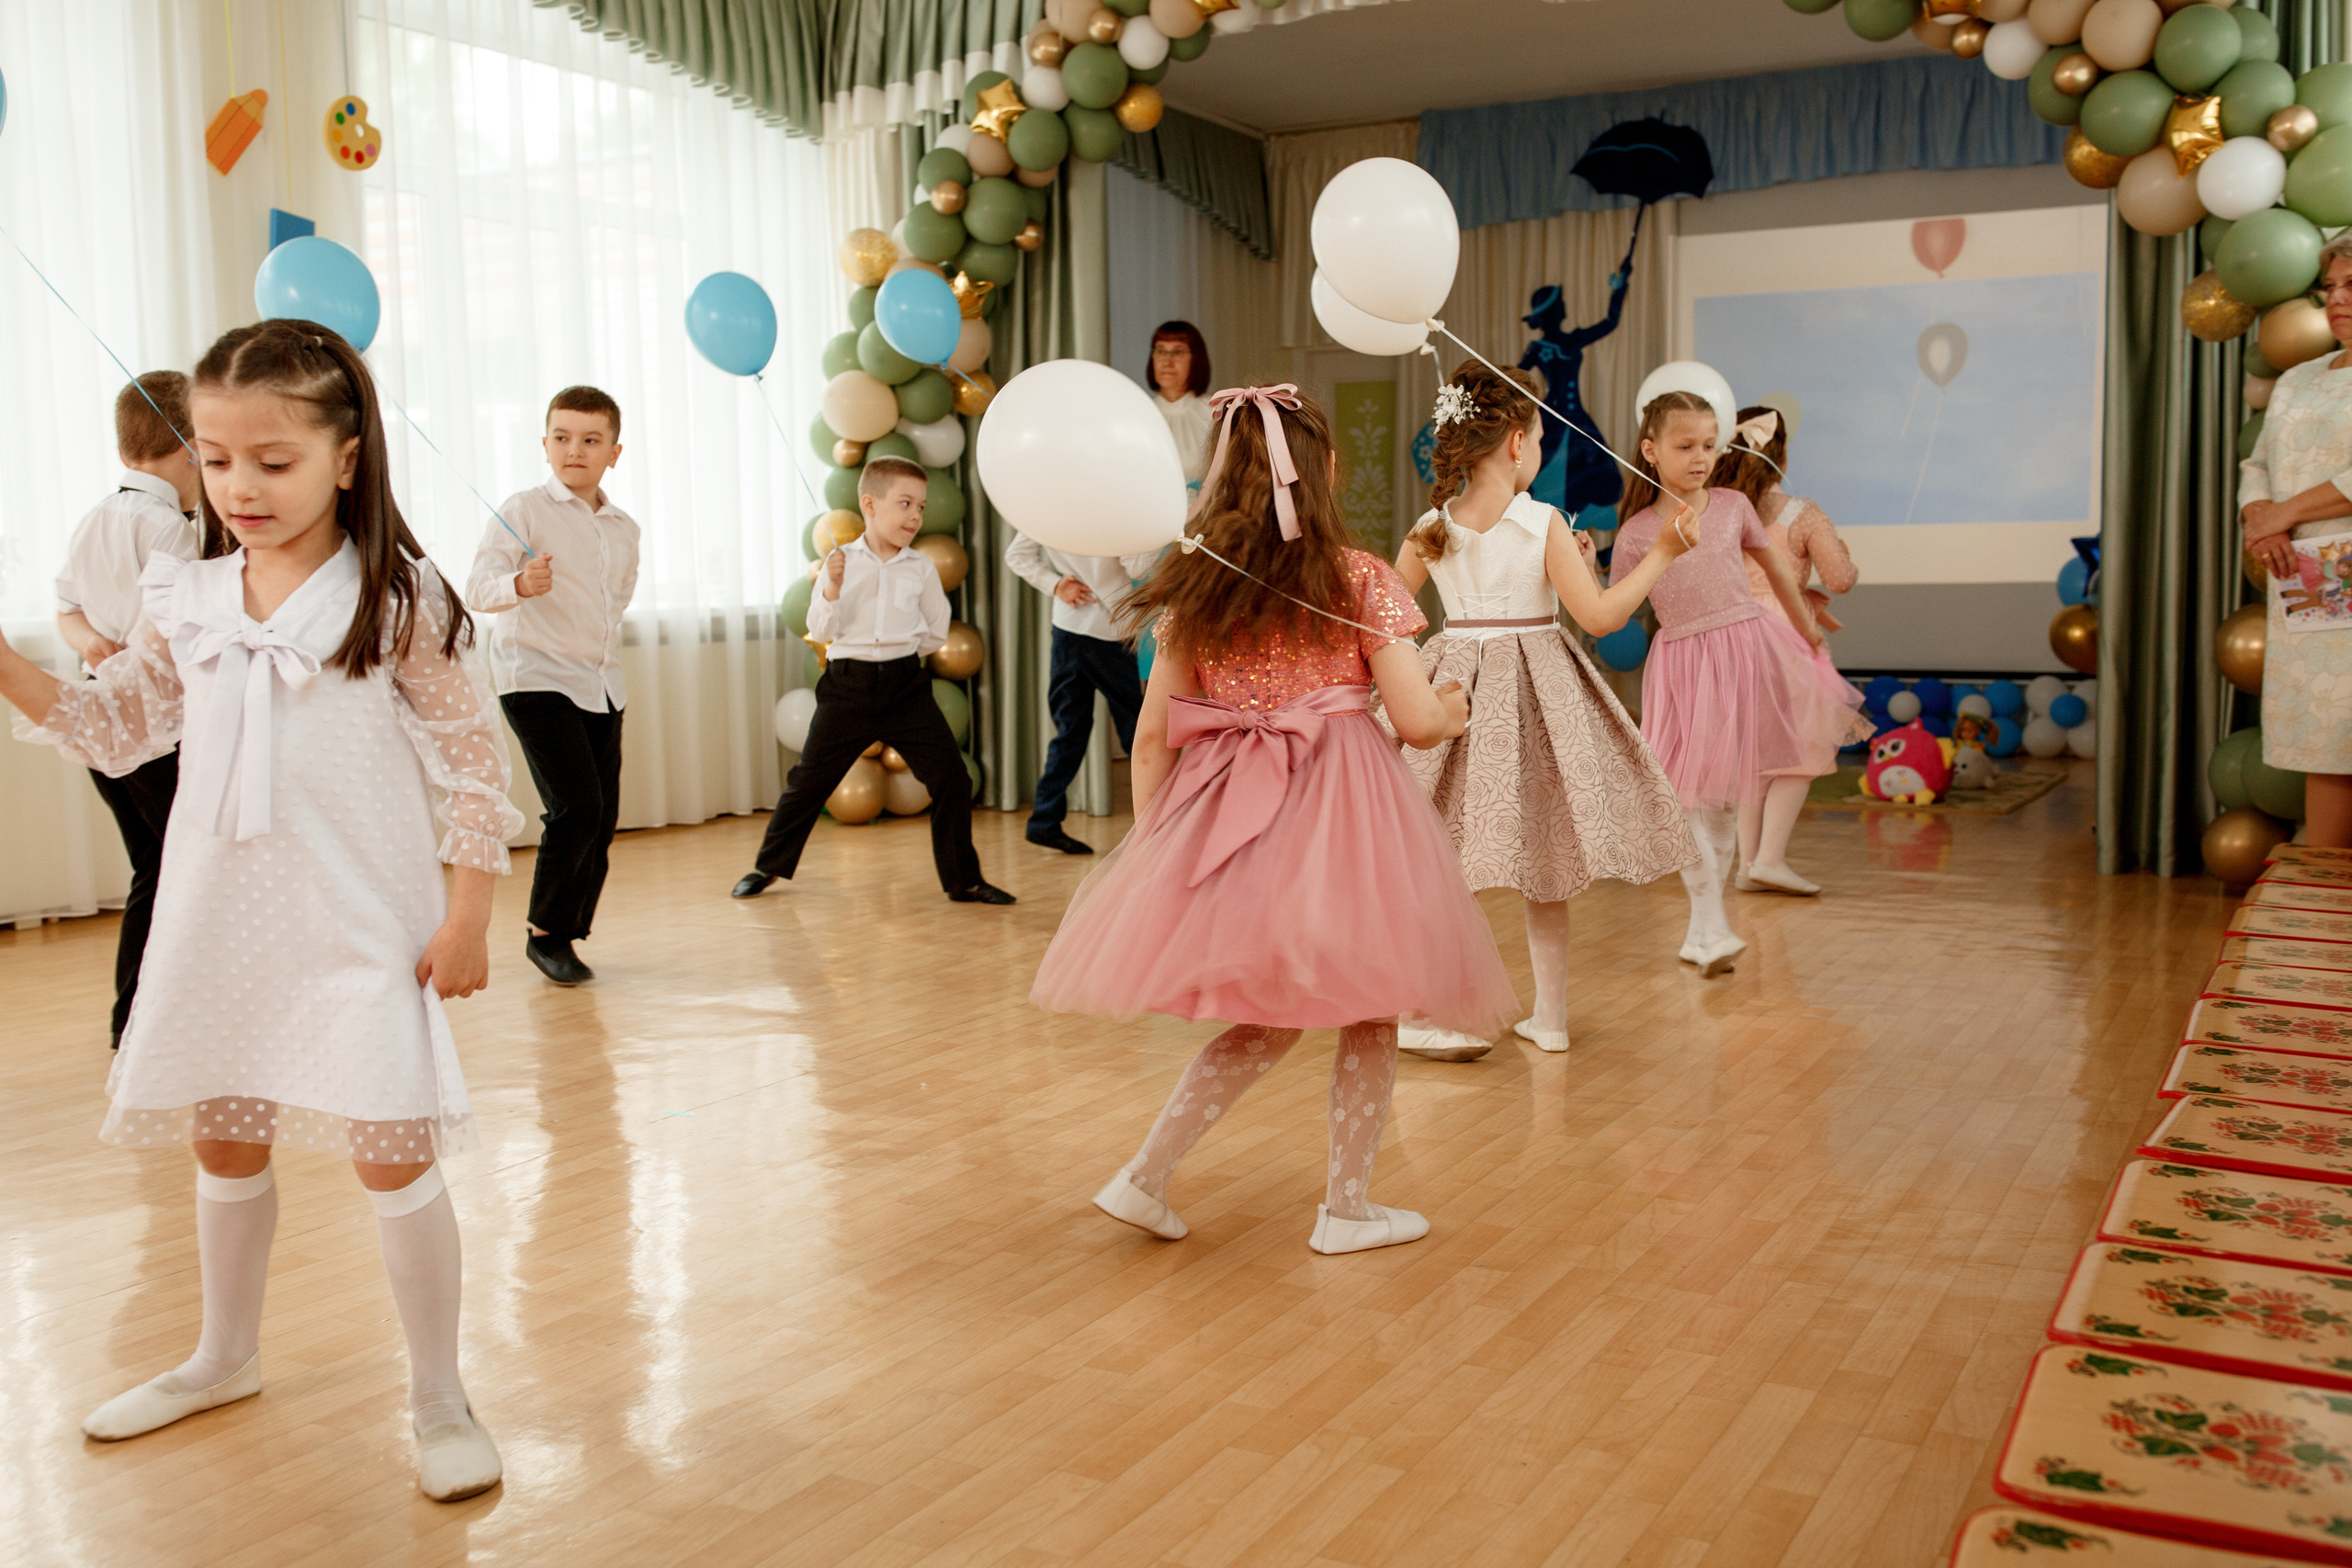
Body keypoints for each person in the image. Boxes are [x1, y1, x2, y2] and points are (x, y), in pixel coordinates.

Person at [0, 320, 523, 1501]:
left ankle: (440, 1394)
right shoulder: (182, 595)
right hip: (217, 919)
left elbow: (470, 761)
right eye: (219, 458)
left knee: (393, 1154)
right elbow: (111, 726)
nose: (240, 486)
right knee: (222, 1139)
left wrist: (470, 913)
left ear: (346, 455)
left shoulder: (396, 596)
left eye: (273, 461)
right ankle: (220, 1355)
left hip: (359, 926)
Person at [1031, 385, 1517, 1256]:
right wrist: (1454, 703)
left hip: (1232, 817)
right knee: (1371, 1006)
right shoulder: (1359, 577)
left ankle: (1144, 1176)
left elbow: (1150, 740)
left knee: (1267, 1015)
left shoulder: (1196, 587)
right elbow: (1413, 721)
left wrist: (1159, 858)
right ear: (1323, 473)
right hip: (1345, 818)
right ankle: (1347, 1207)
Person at [1389, 364, 1697, 1061]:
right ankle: (1549, 1018)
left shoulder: (1429, 526)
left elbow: (1389, 620)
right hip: (1534, 697)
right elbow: (1601, 615)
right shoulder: (1540, 521)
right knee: (1546, 860)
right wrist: (1664, 556)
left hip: (1455, 694)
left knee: (1441, 857)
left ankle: (1423, 1004)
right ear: (1520, 444)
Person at [1611, 390, 1870, 976]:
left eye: (1709, 444)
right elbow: (1615, 611)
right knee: (1684, 800)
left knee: (1724, 800)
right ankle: (1709, 920)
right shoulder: (1636, 533)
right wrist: (1581, 561)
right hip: (1682, 666)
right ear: (1650, 451)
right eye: (1685, 446)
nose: (1700, 456)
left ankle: (1707, 926)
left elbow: (1777, 569)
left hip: (1745, 652)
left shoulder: (1731, 506)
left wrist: (1806, 633)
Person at [733, 457, 1012, 905]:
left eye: (920, 507)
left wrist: (897, 652)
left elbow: (936, 628)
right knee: (808, 781)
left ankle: (964, 880)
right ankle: (768, 866)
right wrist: (832, 589)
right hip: (848, 689)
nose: (915, 516)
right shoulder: (839, 563)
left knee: (952, 779)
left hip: (906, 687)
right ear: (870, 504)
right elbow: (820, 630)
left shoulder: (920, 568)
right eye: (905, 504)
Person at [465, 386, 639, 987]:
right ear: (545, 444)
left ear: (613, 452)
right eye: (563, 437)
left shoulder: (623, 528)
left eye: (591, 440)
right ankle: (546, 934)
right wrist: (519, 583)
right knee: (577, 806)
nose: (575, 449)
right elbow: (477, 587)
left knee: (603, 813)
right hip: (534, 676)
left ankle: (569, 929)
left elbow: (615, 602)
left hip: (600, 684)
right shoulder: (524, 509)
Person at [53, 371, 203, 1048]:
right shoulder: (170, 529)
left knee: (156, 863)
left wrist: (89, 643)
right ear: (190, 446)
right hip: (151, 730)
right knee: (181, 866)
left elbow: (66, 607)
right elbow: (171, 635)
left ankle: (137, 1019)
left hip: (102, 721)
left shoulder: (95, 517)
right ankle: (145, 1019)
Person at [1711, 403, 1860, 896]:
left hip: (1731, 637)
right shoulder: (1802, 513)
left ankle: (1747, 864)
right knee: (1802, 749)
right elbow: (1839, 579)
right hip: (1787, 637)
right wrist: (1846, 557)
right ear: (1782, 456)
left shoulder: (1719, 509)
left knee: (1755, 753)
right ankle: (1770, 859)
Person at [2243, 232, 2352, 849]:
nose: (2336, 299)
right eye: (2330, 287)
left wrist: (2284, 511)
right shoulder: (2298, 380)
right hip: (2310, 584)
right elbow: (2256, 463)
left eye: (2351, 285)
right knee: (2327, 741)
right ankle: (2326, 919)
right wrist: (2259, 514)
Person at [1004, 533, 1159, 854]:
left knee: (1070, 730)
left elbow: (1016, 555)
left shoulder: (1045, 502)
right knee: (1137, 730)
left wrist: (1055, 584)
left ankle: (1044, 821)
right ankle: (1162, 822)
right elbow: (1137, 566)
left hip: (1069, 629)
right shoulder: (1113, 506)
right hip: (1109, 634)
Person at [1147, 321, 1215, 489]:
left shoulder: (1216, 413)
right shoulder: (1139, 412)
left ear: (1195, 360)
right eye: (1160, 351)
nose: (1167, 362)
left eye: (1177, 352)